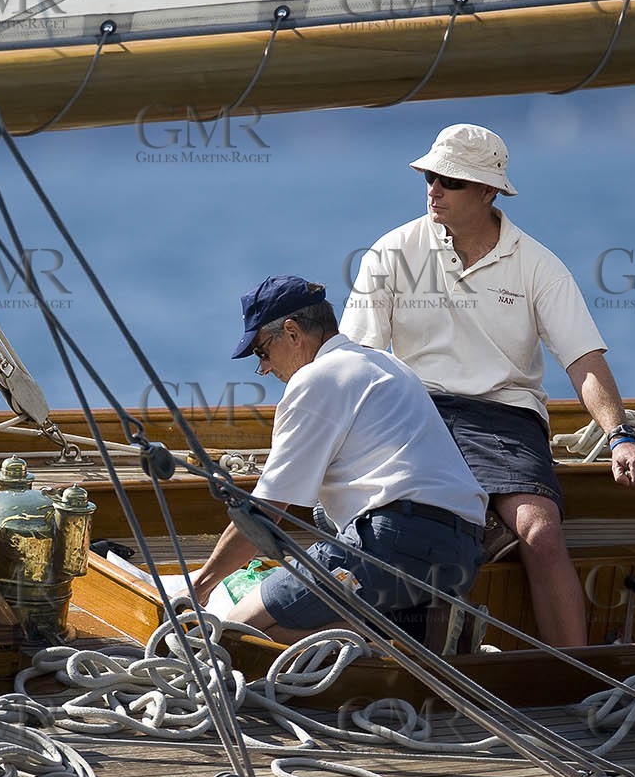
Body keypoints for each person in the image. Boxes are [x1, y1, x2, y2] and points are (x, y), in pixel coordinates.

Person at [340, 123, 635, 649]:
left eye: (451, 180)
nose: (434, 189)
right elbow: (358, 361)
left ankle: (576, 676)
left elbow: (583, 360)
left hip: (503, 418)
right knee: (400, 527)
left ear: (489, 192)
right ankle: (393, 661)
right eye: (429, 177)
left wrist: (620, 437)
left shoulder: (538, 265)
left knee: (541, 531)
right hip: (414, 412)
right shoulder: (390, 253)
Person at [191, 274, 486, 644]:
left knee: (238, 631)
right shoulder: (388, 364)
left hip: (394, 540)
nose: (263, 368)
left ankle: (422, 633)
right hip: (463, 550)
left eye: (261, 352)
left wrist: (200, 587)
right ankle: (426, 627)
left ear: (292, 332)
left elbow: (265, 512)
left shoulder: (315, 379)